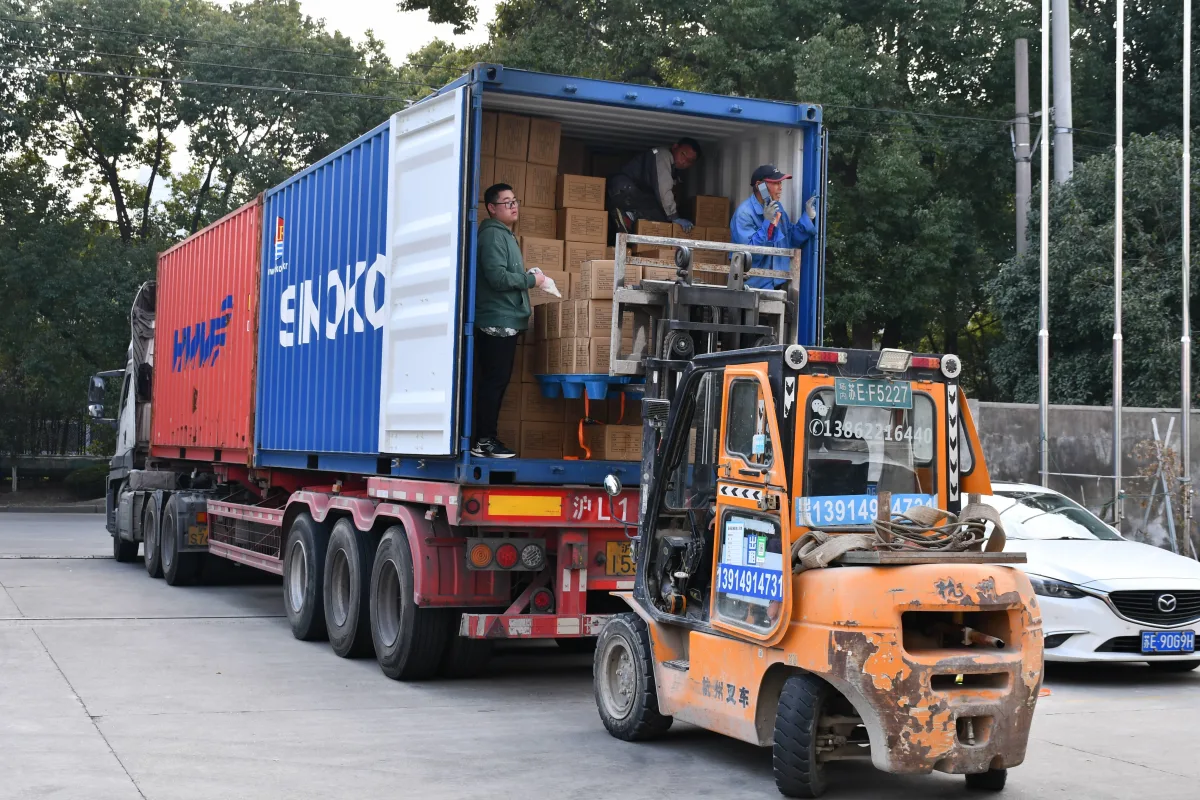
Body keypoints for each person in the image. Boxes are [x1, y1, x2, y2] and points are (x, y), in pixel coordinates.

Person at [472, 183, 546, 458]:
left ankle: (486, 439)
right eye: (506, 202)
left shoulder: (504, 235)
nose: (513, 206)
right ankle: (484, 441)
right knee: (494, 381)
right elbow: (497, 277)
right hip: (496, 320)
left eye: (514, 200)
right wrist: (531, 280)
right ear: (492, 208)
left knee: (496, 381)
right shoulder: (492, 235)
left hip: (505, 319)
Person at [730, 164, 818, 290]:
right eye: (776, 183)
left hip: (777, 285)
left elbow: (790, 239)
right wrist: (767, 222)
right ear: (760, 186)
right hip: (751, 287)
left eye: (781, 183)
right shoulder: (744, 214)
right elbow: (750, 255)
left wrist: (808, 218)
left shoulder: (777, 208)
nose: (780, 188)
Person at [607, 138, 702, 232]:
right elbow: (663, 190)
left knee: (656, 213)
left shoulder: (674, 172)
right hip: (624, 188)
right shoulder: (663, 155)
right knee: (660, 216)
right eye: (683, 154)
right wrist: (674, 217)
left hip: (627, 192)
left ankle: (627, 217)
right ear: (675, 147)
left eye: (689, 161)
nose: (683, 161)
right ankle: (628, 216)